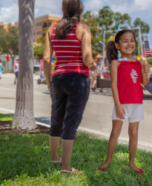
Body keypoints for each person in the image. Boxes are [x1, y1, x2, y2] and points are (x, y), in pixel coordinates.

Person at [43, 0, 97, 175]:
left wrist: (49, 82)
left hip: (58, 78)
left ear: (63, 9)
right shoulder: (83, 29)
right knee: (71, 121)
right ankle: (66, 167)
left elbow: (45, 59)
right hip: (78, 78)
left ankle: (54, 157)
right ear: (80, 9)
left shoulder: (52, 30)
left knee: (56, 118)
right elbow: (87, 60)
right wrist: (94, 66)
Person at [97, 29, 149, 175]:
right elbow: (113, 85)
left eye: (132, 40)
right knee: (115, 132)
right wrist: (118, 105)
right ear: (118, 46)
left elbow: (145, 84)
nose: (130, 43)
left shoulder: (140, 63)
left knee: (134, 133)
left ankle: (131, 163)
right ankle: (108, 161)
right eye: (125, 41)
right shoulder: (116, 63)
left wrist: (145, 71)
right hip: (122, 103)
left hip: (137, 103)